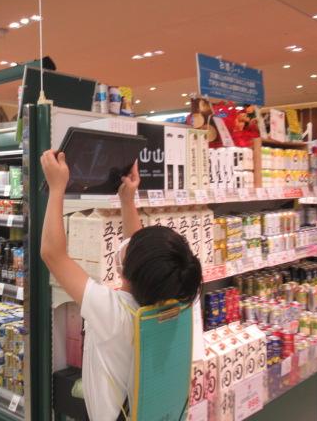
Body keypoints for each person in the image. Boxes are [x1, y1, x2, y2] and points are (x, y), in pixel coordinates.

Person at [40, 150, 203, 421]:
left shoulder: (113, 312)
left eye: (131, 247)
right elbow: (141, 252)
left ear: (131, 268)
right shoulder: (171, 300)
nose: (126, 244)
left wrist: (57, 188)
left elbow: (52, 254)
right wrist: (127, 200)